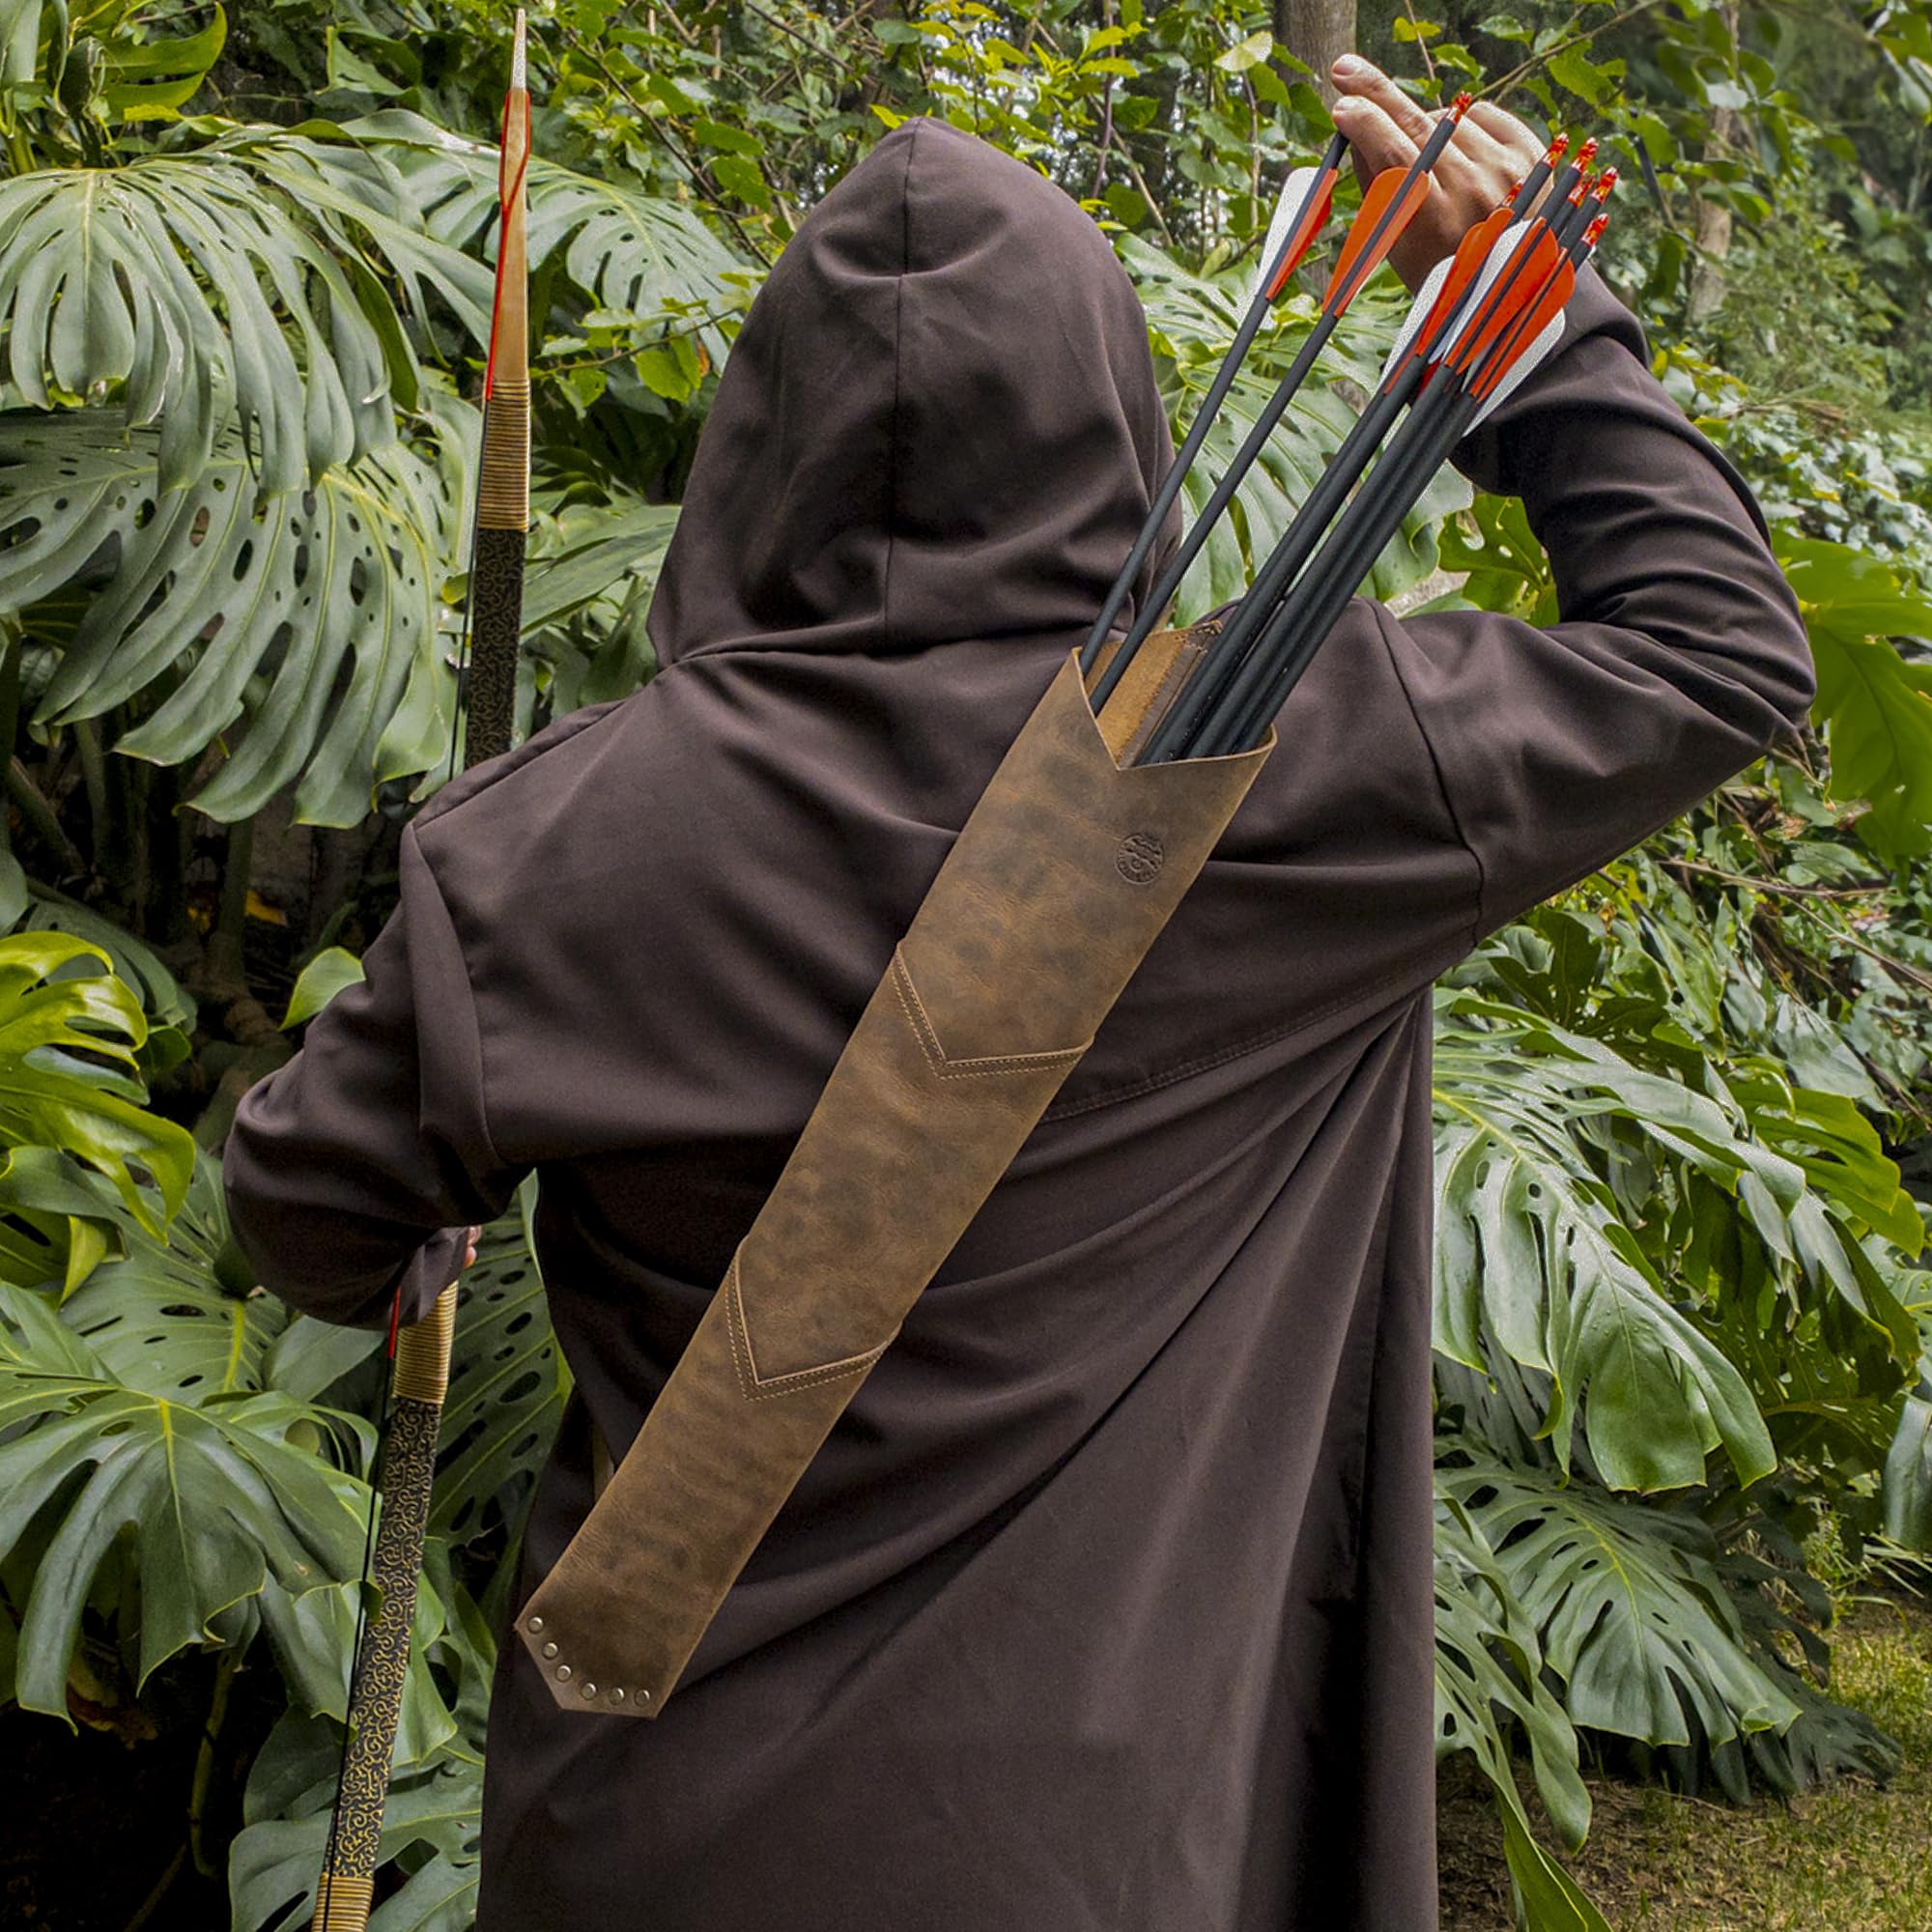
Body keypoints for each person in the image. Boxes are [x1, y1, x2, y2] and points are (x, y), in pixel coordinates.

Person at [224, 57, 1815, 1932]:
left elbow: (310, 1206)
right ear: (1109, 414)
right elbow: (1716, 652)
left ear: (762, 440)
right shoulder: (1291, 766)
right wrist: (1535, 327)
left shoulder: (542, 848)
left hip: (656, 1852)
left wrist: (408, 1240)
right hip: (1098, 1858)